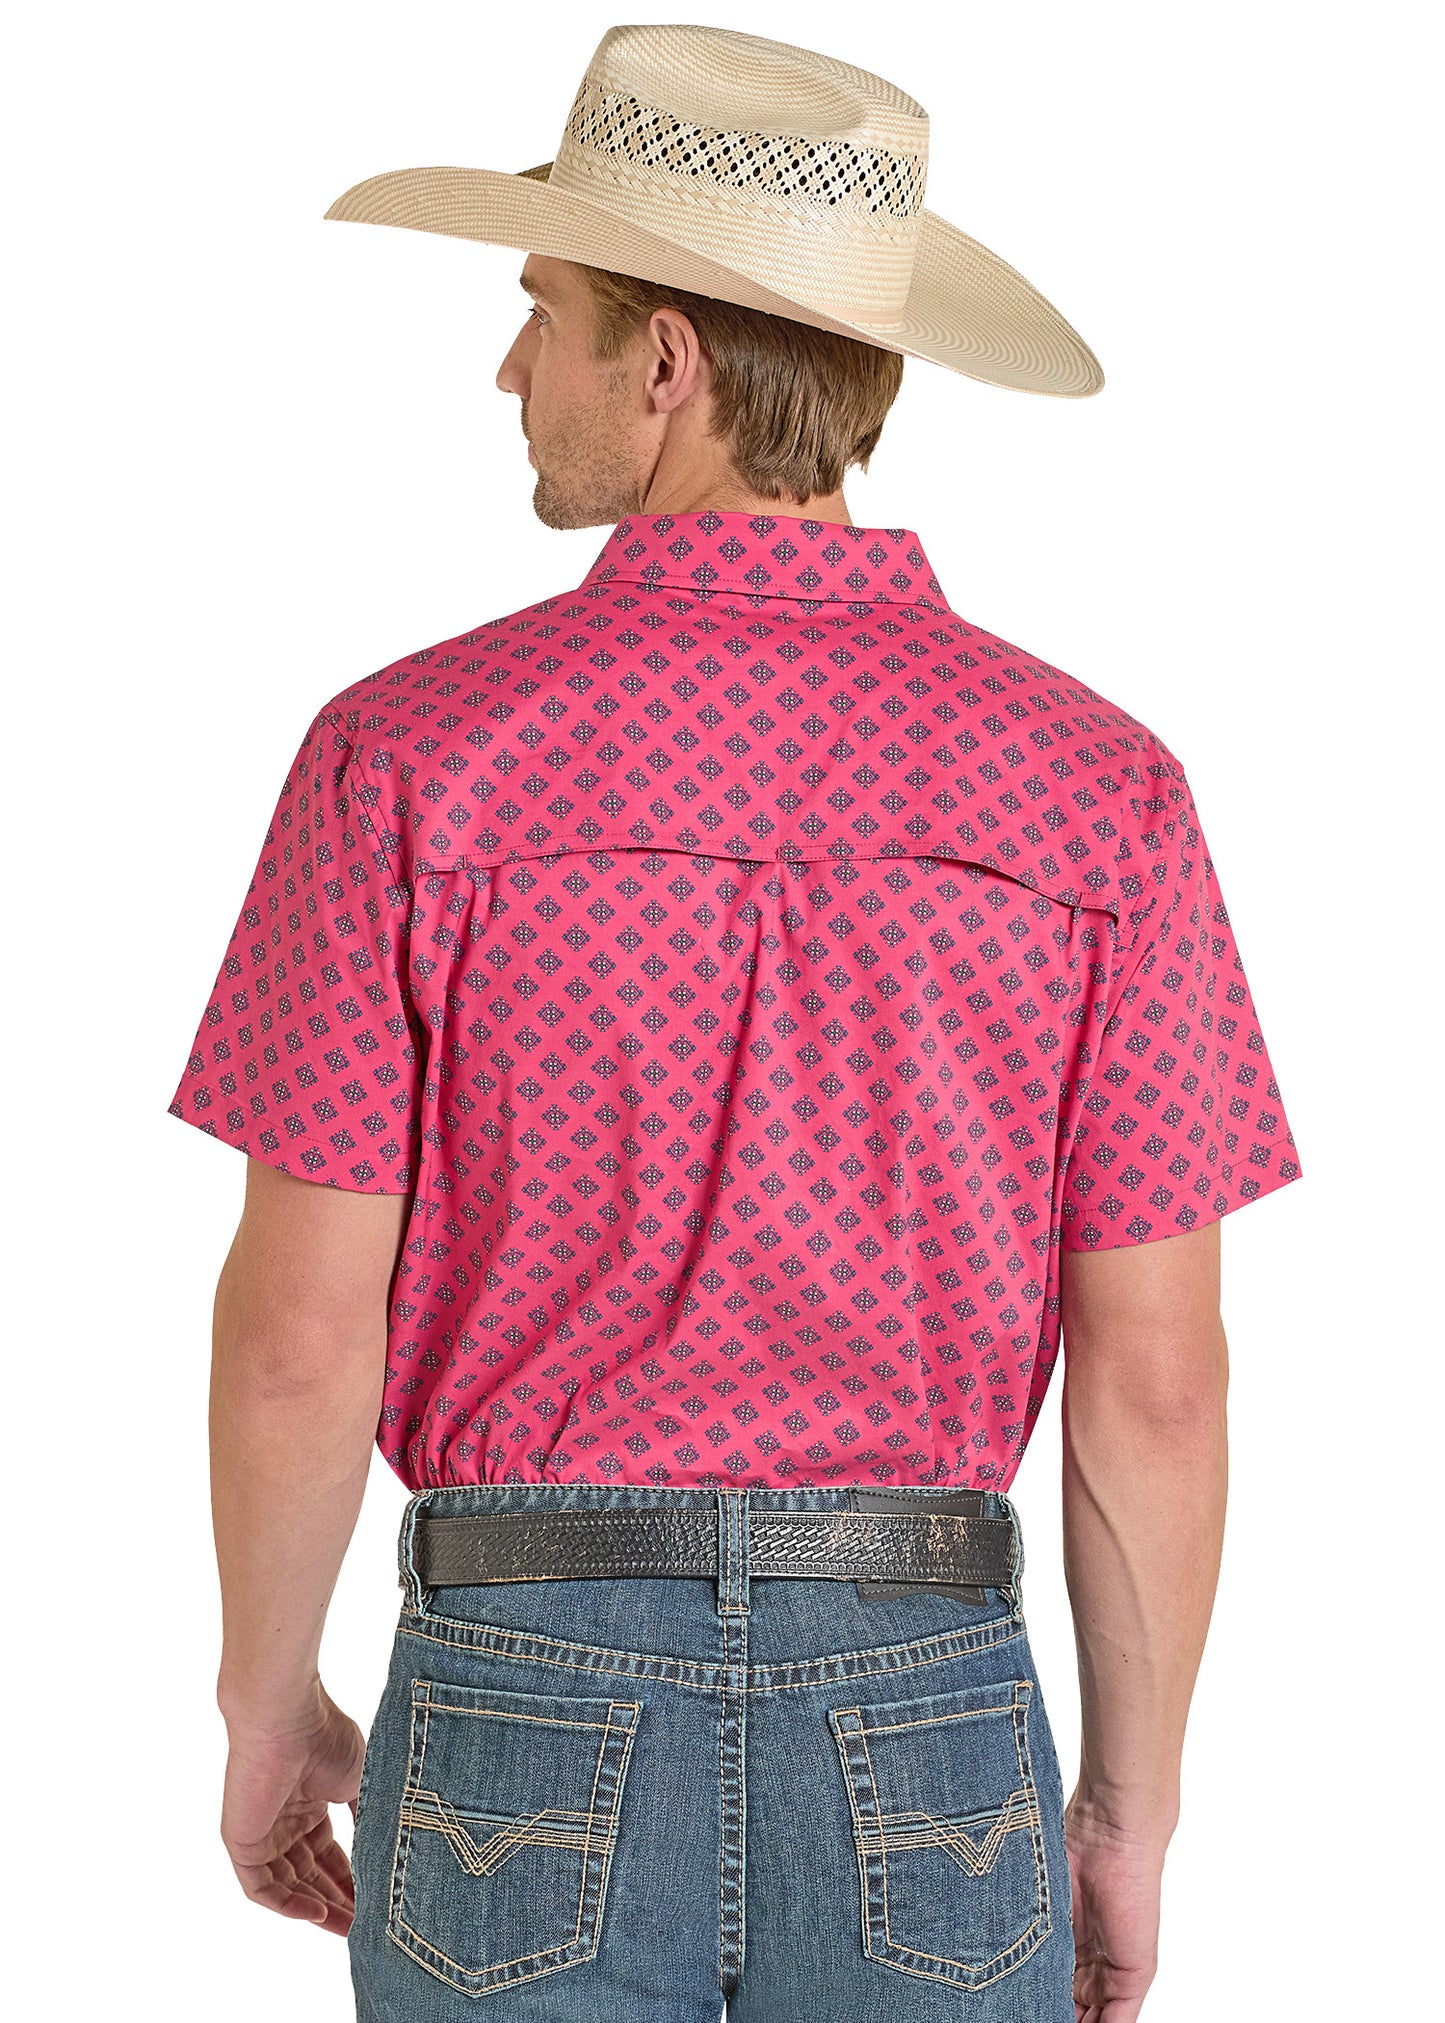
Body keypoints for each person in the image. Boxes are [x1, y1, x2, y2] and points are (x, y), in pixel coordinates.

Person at [166, 25, 1303, 2023]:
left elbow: (293, 1335)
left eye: (545, 312)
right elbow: (1160, 1387)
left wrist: (268, 1712)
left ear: (667, 359)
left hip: (515, 1698)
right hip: (933, 1711)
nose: (511, 369)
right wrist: (1122, 1819)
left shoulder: (409, 761)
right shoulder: (1098, 791)